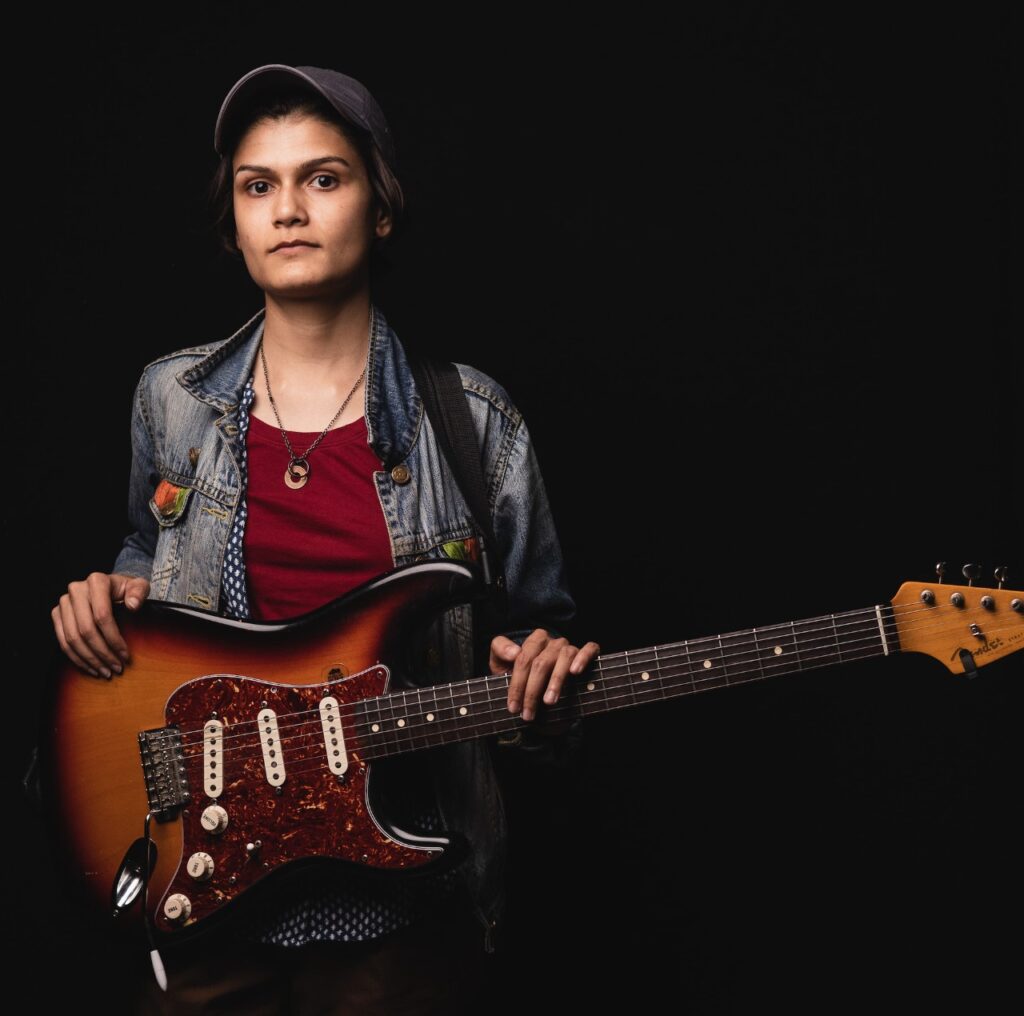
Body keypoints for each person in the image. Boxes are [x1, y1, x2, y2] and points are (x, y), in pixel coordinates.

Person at [48, 63, 599, 1014]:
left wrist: (545, 688)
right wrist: (108, 603)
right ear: (234, 221)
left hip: (400, 908)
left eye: (324, 178)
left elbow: (543, 654)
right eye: (259, 185)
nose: (288, 208)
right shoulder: (169, 400)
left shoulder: (474, 422)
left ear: (379, 209)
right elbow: (149, 559)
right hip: (207, 889)